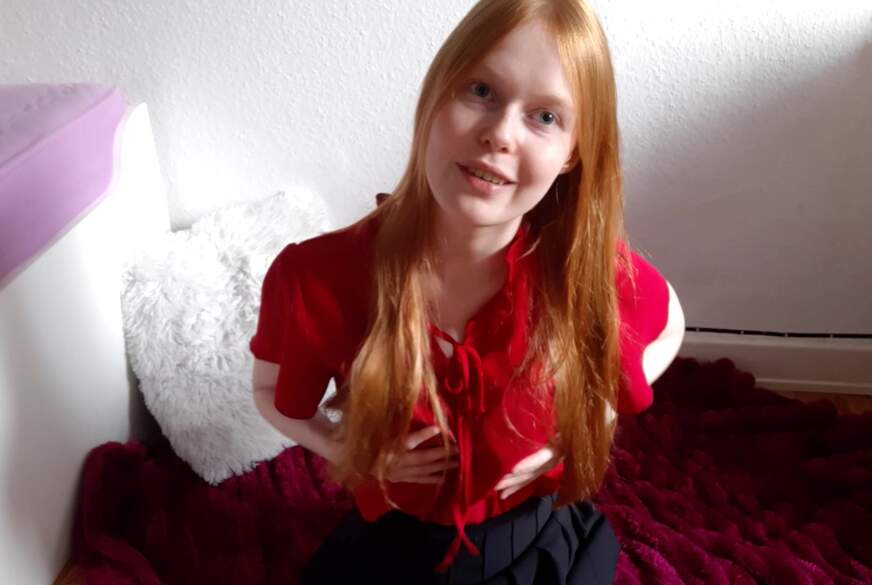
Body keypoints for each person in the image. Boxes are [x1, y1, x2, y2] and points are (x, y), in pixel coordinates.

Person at [250, 0, 685, 582]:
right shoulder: (315, 277)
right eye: (481, 91)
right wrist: (351, 452)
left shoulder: (585, 271)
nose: (499, 135)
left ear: (573, 154)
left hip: (530, 540)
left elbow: (671, 323)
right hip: (395, 544)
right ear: (435, 97)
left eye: (545, 117)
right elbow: (269, 391)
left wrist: (593, 413)